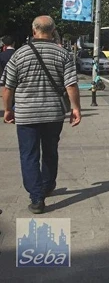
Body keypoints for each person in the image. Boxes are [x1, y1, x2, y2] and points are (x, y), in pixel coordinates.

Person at [2, 16, 81, 214]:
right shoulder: (63, 54)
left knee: (28, 155)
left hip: (26, 114)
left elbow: (8, 87)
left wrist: (8, 109)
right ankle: (47, 185)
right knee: (50, 151)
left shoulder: (19, 55)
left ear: (33, 30)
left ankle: (37, 198)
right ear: (53, 31)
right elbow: (71, 84)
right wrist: (76, 108)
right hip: (53, 114)